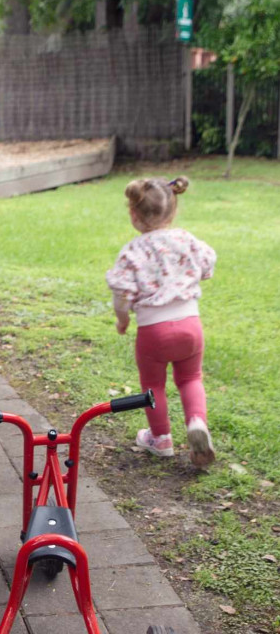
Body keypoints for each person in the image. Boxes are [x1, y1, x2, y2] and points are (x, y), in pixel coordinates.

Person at [106, 176, 217, 467]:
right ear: (173, 210)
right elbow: (207, 266)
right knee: (191, 378)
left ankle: (161, 438)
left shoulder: (133, 251)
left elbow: (121, 295)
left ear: (133, 214)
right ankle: (197, 423)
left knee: (153, 384)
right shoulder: (186, 240)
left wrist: (122, 321)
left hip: (153, 331)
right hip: (190, 324)